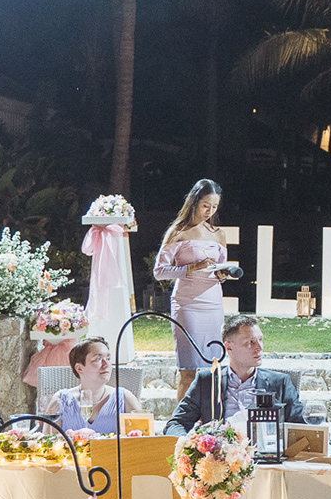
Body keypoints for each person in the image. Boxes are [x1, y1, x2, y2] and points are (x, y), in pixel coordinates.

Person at [153, 179, 233, 404]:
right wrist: (191, 268)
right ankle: (182, 419)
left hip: (213, 304)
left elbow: (220, 267)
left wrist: (222, 274)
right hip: (187, 303)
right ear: (195, 202)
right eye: (206, 205)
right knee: (188, 369)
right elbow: (159, 272)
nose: (210, 211)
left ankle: (211, 418)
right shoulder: (178, 232)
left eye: (214, 207)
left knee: (214, 368)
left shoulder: (218, 234)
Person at [167, 314, 307, 435]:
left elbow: (300, 428)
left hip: (265, 455)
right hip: (220, 455)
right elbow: (175, 424)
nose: (259, 347)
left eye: (260, 339)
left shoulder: (280, 383)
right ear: (229, 347)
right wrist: (188, 443)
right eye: (250, 342)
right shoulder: (207, 381)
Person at [52, 337, 145, 435]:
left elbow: (145, 438)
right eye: (98, 359)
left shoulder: (124, 398)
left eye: (108, 358)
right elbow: (47, 440)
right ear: (79, 368)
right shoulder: (60, 400)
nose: (106, 364)